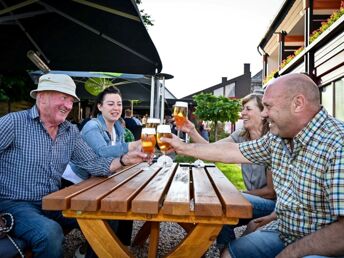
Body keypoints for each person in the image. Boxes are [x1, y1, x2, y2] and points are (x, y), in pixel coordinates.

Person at [162, 73, 344, 258]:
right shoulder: (277, 139)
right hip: (285, 231)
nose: (264, 114)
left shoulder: (338, 144)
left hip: (323, 244)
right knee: (228, 255)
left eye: (268, 106)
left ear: (297, 103)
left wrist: (289, 254)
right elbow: (231, 152)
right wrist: (183, 147)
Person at [0, 74, 148, 258]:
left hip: (53, 201)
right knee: (50, 233)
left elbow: (93, 163)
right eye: (62, 97)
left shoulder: (69, 131)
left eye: (70, 100)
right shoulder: (13, 123)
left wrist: (125, 159)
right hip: (15, 204)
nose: (68, 106)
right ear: (41, 97)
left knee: (107, 214)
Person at [176, 93, 276, 249]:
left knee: (223, 203)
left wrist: (237, 195)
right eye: (243, 109)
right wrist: (192, 131)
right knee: (220, 212)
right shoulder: (242, 135)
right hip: (253, 200)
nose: (242, 113)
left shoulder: (271, 140)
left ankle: (233, 250)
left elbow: (270, 192)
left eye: (248, 109)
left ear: (263, 113)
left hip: (272, 205)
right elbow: (213, 150)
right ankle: (226, 250)